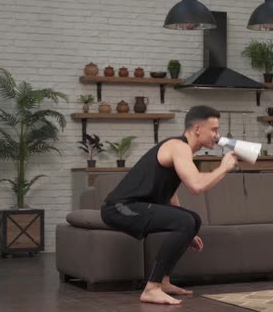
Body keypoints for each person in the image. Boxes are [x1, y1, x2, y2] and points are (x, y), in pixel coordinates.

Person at [100, 105, 238, 305]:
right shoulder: (178, 146)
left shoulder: (182, 150)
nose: (218, 136)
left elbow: (170, 194)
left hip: (136, 207)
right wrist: (224, 168)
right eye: (214, 130)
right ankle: (151, 288)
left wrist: (187, 230)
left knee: (192, 219)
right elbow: (197, 186)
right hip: (119, 208)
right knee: (185, 221)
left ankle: (163, 282)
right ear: (198, 129)